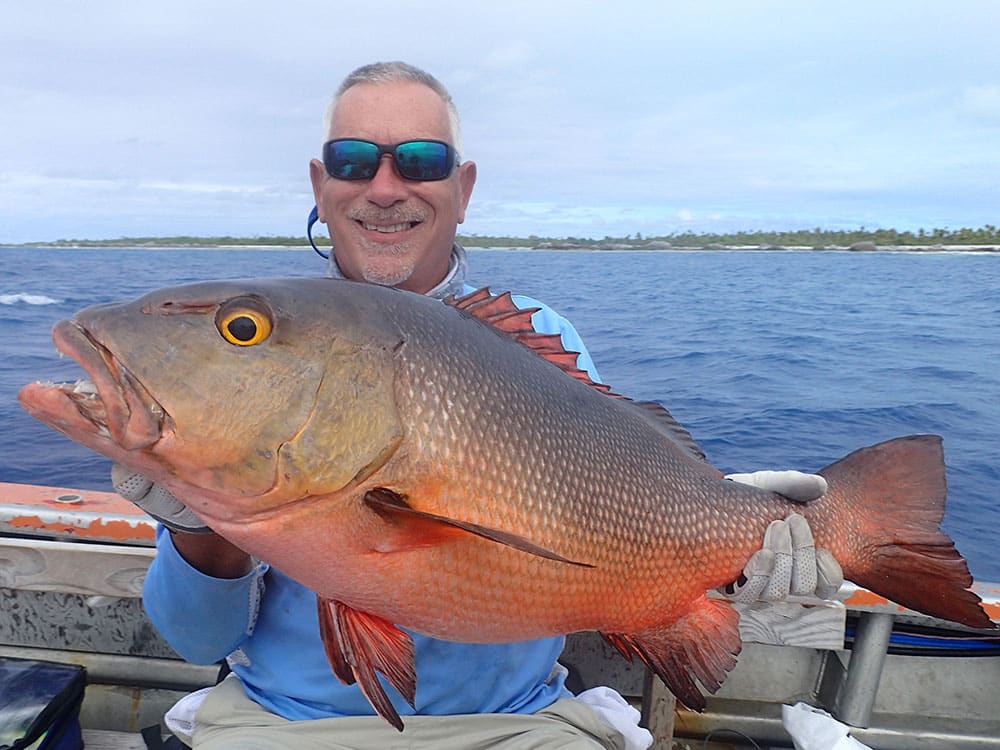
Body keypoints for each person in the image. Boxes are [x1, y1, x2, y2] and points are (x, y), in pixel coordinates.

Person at [116, 62, 842, 750]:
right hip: (279, 722)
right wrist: (196, 526)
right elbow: (198, 642)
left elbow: (628, 517)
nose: (385, 186)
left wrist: (743, 556)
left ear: (462, 188)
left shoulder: (542, 339)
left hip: (517, 724)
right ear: (321, 181)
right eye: (353, 159)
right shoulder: (250, 364)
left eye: (422, 161)